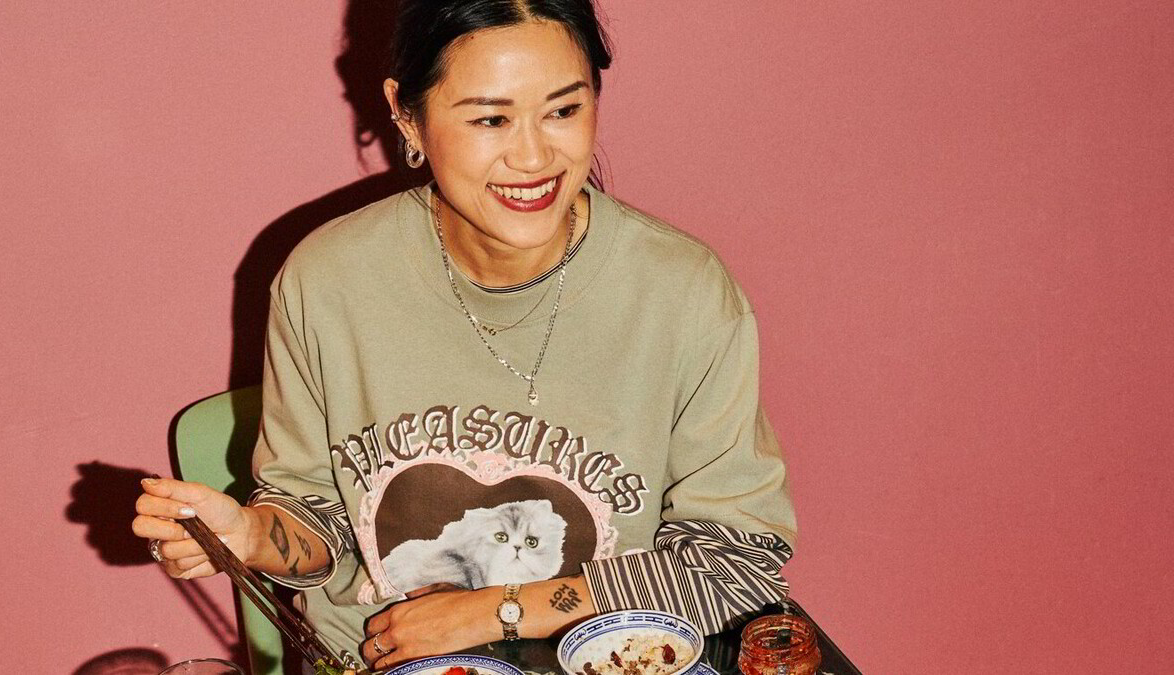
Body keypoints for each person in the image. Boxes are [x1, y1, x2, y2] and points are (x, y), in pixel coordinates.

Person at [133, 1, 797, 670]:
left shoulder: (682, 293)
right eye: (490, 119)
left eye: (564, 110)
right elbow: (317, 513)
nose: (533, 156)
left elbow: (737, 561)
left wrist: (497, 609)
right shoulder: (327, 281)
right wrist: (253, 535)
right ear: (407, 116)